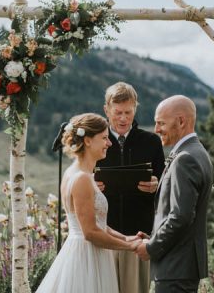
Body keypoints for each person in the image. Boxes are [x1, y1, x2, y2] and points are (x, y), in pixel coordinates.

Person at [36, 113, 141, 293]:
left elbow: (97, 224)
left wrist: (125, 237)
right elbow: (91, 232)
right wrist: (129, 247)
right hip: (86, 259)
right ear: (88, 141)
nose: (109, 143)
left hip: (90, 253)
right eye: (105, 138)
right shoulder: (82, 179)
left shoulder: (78, 173)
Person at [135, 95, 213, 293]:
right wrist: (152, 236)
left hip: (176, 267)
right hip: (180, 267)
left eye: (161, 123)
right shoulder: (197, 152)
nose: (156, 129)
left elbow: (181, 216)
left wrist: (151, 247)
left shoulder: (185, 159)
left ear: (181, 121)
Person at [97, 82, 165, 293]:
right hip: (103, 236)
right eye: (118, 112)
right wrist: (89, 184)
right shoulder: (94, 141)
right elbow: (79, 178)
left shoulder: (152, 142)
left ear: (136, 108)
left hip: (138, 237)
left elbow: (165, 191)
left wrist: (157, 186)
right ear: (106, 109)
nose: (124, 118)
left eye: (128, 112)